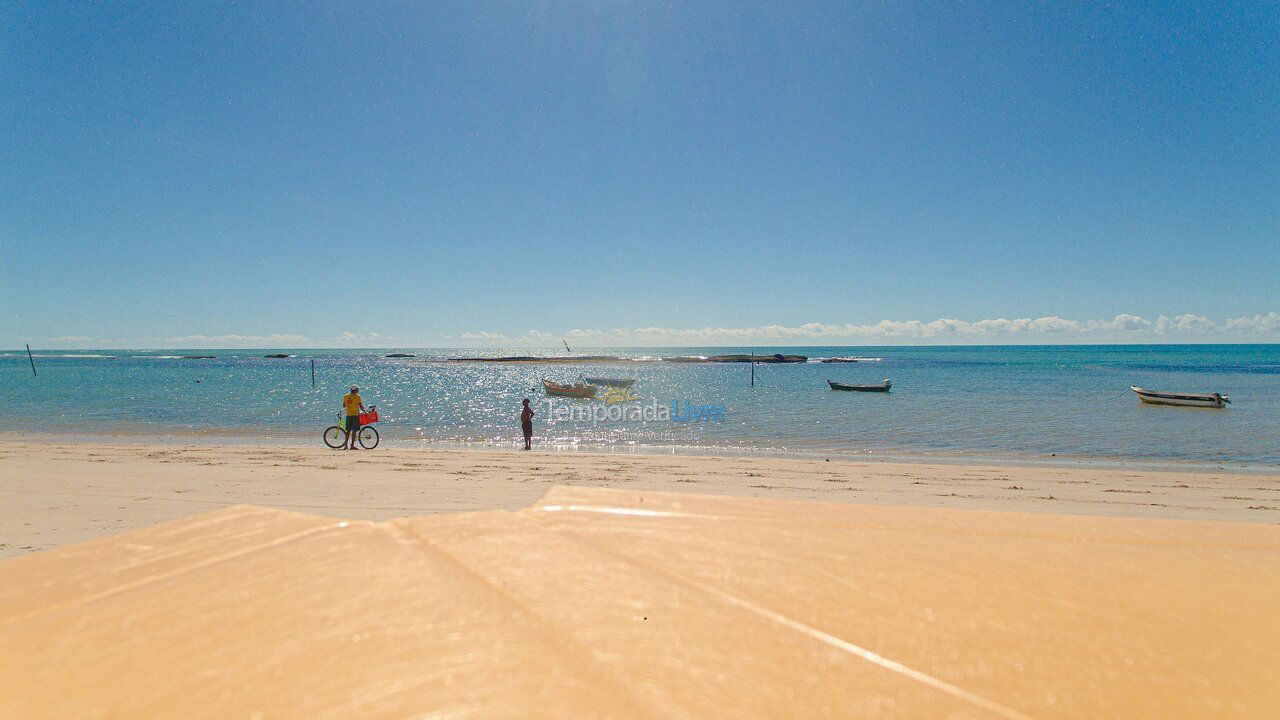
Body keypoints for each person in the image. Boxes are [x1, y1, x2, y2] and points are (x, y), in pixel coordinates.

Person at [342, 386, 366, 450]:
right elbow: (360, 405)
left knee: (348, 430)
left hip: (348, 415)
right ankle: (352, 445)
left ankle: (345, 445)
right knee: (354, 430)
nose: (358, 391)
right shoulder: (358, 397)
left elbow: (344, 405)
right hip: (355, 415)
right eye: (357, 389)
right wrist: (365, 412)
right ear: (355, 390)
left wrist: (349, 404)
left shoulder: (345, 396)